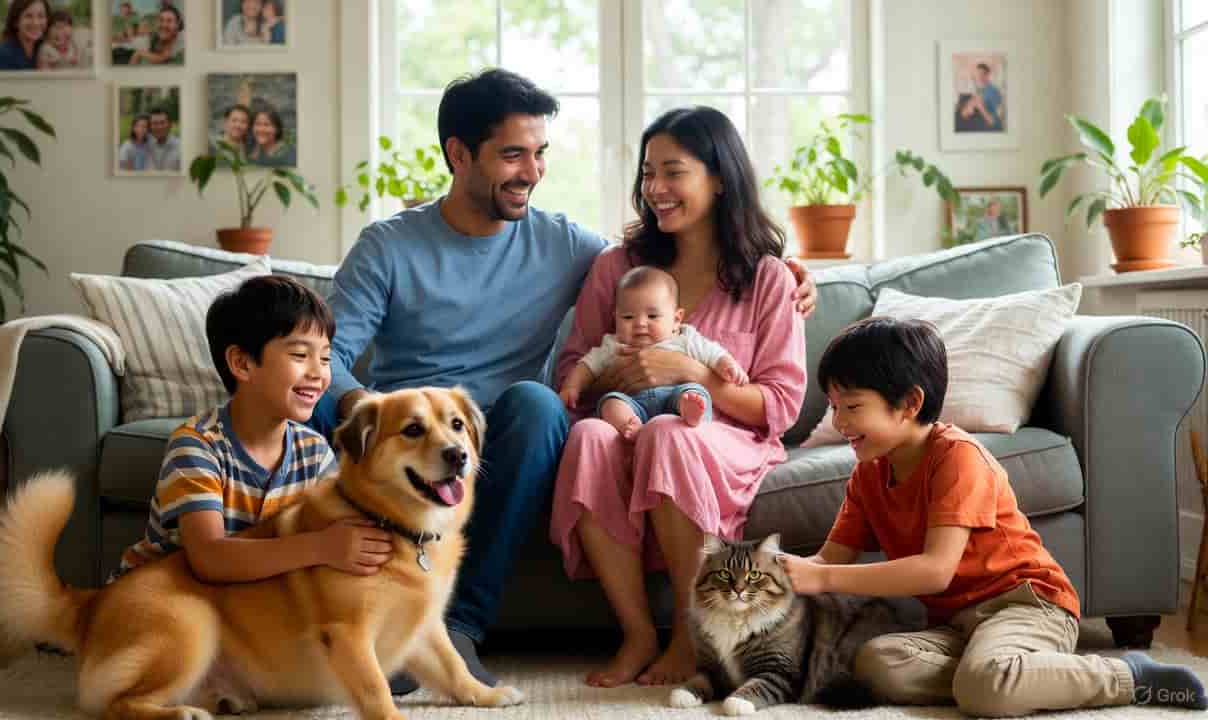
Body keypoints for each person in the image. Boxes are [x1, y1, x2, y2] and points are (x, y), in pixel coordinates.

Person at [307, 69, 818, 694]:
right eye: (513, 154)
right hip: (413, 433)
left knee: (539, 404)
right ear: (458, 154)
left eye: (540, 152)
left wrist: (790, 269)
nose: (532, 170)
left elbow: (658, 281)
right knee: (564, 422)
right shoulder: (389, 246)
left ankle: (460, 628)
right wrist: (367, 410)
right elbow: (321, 357)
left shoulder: (565, 245)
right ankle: (379, 625)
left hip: (516, 436)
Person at [780, 316, 1207, 715]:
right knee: (877, 662)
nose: (838, 422)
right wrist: (781, 571)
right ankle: (1009, 671)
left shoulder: (957, 458)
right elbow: (828, 561)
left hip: (1027, 603)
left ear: (910, 402)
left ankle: (1127, 675)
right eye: (833, 407)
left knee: (985, 688)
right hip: (955, 624)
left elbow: (934, 572)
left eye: (851, 407)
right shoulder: (868, 473)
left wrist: (823, 578)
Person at [550, 106, 807, 689]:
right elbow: (574, 368)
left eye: (673, 172)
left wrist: (695, 372)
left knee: (671, 432)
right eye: (647, 174)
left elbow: (781, 406)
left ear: (719, 178)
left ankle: (691, 637)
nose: (655, 189)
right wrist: (638, 373)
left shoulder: (767, 276)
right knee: (589, 435)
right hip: (628, 424)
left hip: (725, 438)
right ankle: (637, 633)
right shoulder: (618, 267)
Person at [115, 276, 394, 587]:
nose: (318, 373)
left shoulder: (315, 453)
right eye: (300, 355)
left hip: (239, 608)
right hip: (157, 597)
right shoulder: (197, 444)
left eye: (326, 358)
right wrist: (320, 547)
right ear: (242, 364)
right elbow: (210, 558)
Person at [558, 265, 748, 440]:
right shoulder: (614, 345)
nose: (640, 323)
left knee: (695, 391)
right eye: (628, 317)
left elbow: (713, 353)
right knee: (610, 402)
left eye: (652, 316)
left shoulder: (685, 339)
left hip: (674, 395)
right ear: (615, 318)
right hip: (633, 402)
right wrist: (572, 387)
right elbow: (587, 365)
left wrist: (727, 365)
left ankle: (689, 411)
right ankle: (629, 425)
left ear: (676, 319)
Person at [0, 0, 49, 72]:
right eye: (28, 16)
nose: (35, 23)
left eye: (41, 16)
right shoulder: (0, 56)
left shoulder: (46, 50)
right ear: (16, 21)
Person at [144, 107, 181, 172]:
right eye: (155, 123)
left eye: (162, 123)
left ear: (170, 125)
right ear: (150, 126)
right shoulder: (143, 145)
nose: (159, 127)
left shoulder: (181, 147)